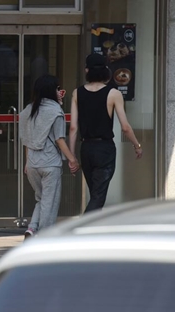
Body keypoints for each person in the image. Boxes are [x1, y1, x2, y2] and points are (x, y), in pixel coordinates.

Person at [69, 53, 143, 213]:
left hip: (86, 148)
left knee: (95, 194)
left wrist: (72, 156)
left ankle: (91, 233)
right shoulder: (113, 93)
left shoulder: (77, 93)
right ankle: (82, 231)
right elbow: (125, 127)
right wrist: (137, 145)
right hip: (104, 149)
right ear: (105, 70)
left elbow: (73, 128)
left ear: (86, 70)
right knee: (98, 196)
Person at [20, 75, 80, 239]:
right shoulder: (55, 112)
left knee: (41, 199)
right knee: (49, 202)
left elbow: (26, 140)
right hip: (50, 164)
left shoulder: (28, 110)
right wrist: (72, 159)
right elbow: (59, 139)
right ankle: (45, 236)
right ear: (51, 91)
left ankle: (32, 229)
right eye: (57, 88)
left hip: (32, 164)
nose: (60, 92)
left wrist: (27, 162)